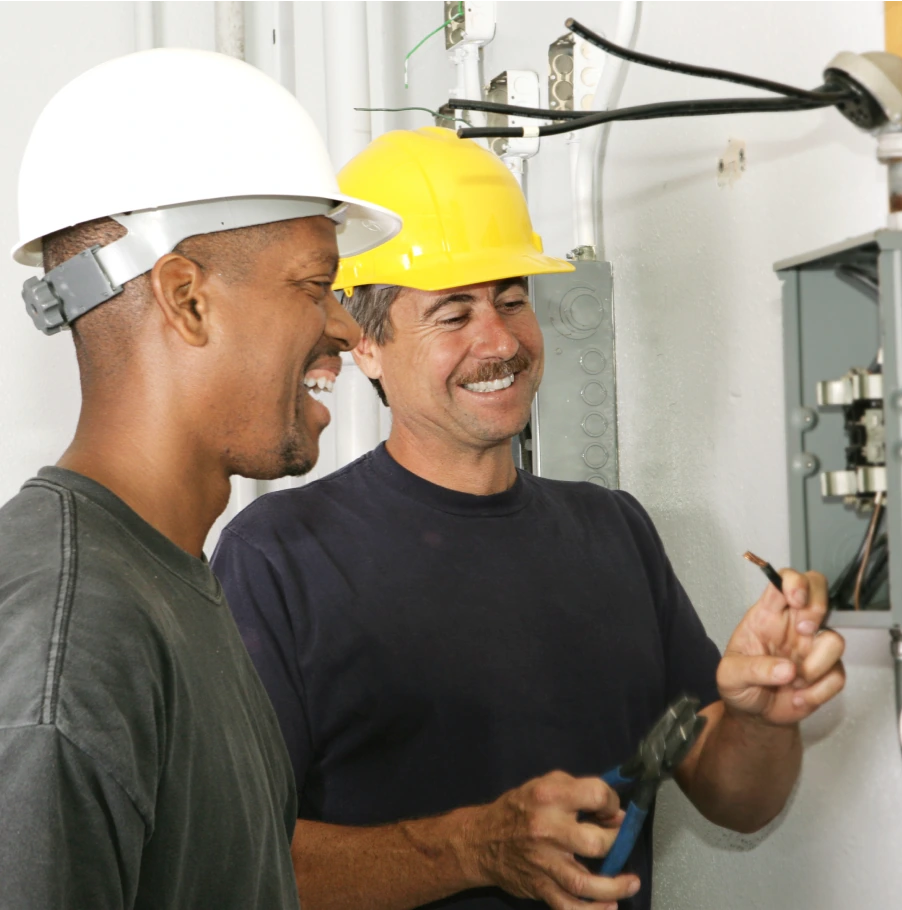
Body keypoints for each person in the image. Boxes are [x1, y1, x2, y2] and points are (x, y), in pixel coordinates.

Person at [212, 127, 846, 910]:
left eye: (512, 299)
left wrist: (762, 719)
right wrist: (478, 849)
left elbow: (736, 800)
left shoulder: (614, 532)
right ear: (366, 346)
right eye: (453, 315)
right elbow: (237, 861)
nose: (501, 340)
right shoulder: (279, 558)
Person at [0, 48, 399, 910]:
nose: (341, 324)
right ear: (186, 298)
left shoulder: (163, 580)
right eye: (317, 284)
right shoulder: (72, 642)